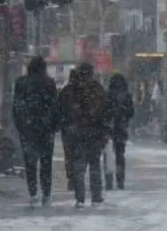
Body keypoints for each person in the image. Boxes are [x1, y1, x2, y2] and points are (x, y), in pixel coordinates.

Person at [59, 62, 110, 206]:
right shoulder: (98, 90)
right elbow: (106, 112)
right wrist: (105, 131)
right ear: (91, 73)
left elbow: (61, 111)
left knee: (78, 166)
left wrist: (67, 127)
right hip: (95, 133)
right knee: (94, 164)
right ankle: (96, 196)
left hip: (76, 133)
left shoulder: (69, 90)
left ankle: (80, 197)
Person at [13, 56, 60, 207]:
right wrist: (54, 125)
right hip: (45, 128)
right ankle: (46, 194)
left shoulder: (21, 83)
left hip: (28, 129)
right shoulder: (49, 83)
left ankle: (33, 194)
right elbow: (54, 106)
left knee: (30, 163)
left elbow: (17, 106)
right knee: (46, 163)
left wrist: (21, 125)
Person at [105, 73, 135, 190]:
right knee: (120, 155)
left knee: (108, 155)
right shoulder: (127, 95)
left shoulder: (107, 95)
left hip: (109, 128)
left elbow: (104, 111)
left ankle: (108, 181)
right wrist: (123, 111)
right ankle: (120, 180)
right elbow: (131, 113)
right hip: (121, 128)